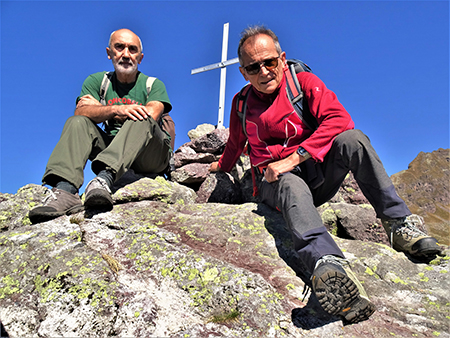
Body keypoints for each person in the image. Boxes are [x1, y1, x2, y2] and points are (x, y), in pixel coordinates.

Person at [210, 25, 443, 324]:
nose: (264, 71)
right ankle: (326, 263)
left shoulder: (302, 82)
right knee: (289, 182)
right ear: (243, 72)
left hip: (314, 174)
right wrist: (221, 167)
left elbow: (339, 119)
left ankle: (399, 226)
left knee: (353, 139)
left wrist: (294, 157)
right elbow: (235, 144)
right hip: (275, 183)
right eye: (254, 67)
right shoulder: (241, 104)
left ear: (282, 59)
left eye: (269, 62)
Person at [29, 28, 173, 224]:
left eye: (132, 49)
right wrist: (116, 110)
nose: (125, 54)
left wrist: (99, 108)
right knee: (77, 122)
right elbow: (80, 112)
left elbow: (151, 113)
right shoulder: (98, 81)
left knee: (142, 117)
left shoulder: (153, 84)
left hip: (149, 155)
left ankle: (104, 180)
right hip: (112, 148)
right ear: (109, 52)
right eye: (119, 47)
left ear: (140, 57)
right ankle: (65, 190)